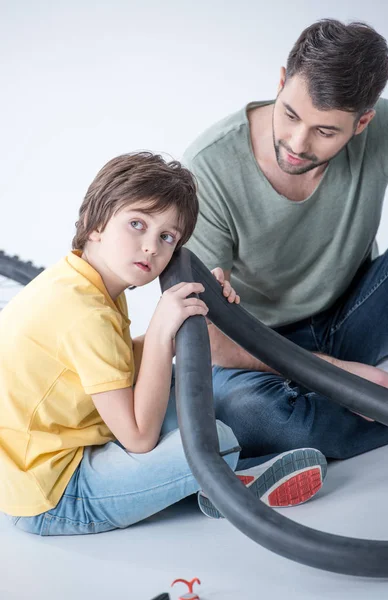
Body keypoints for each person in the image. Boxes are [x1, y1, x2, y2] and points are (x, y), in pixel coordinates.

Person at [0, 152, 327, 536]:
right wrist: (159, 330)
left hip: (67, 448)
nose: (151, 247)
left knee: (188, 396)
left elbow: (110, 363)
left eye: (166, 237)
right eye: (137, 224)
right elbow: (138, 438)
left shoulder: (82, 281)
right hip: (53, 496)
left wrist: (189, 315)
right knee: (215, 440)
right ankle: (221, 483)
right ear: (95, 223)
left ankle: (212, 482)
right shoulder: (85, 312)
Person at [183, 19, 388, 462]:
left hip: (355, 315)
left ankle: (353, 410)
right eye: (291, 114)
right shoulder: (209, 170)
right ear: (281, 81)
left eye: (325, 131)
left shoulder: (386, 130)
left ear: (363, 122)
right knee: (253, 417)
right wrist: (339, 375)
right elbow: (210, 340)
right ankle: (364, 409)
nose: (298, 144)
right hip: (255, 345)